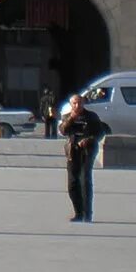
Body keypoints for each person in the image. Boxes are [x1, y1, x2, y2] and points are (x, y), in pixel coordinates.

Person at [59, 93, 108, 222]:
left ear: (83, 103)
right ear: (71, 105)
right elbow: (63, 130)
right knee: (72, 183)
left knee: (85, 180)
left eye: (79, 103)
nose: (77, 105)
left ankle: (87, 213)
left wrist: (89, 139)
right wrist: (70, 119)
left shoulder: (91, 116)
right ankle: (78, 212)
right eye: (74, 103)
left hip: (88, 150)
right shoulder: (66, 117)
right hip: (73, 151)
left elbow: (101, 132)